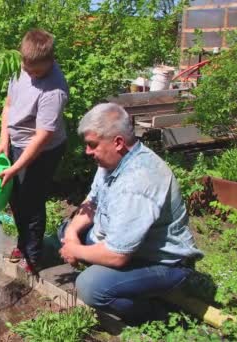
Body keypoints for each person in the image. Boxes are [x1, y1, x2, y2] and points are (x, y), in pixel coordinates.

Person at [58, 103, 203, 325]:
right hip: (127, 245)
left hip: (162, 262)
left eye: (91, 145)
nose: (87, 151)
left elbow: (117, 255)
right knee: (67, 230)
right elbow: (92, 202)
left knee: (90, 286)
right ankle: (111, 273)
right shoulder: (110, 161)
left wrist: (75, 249)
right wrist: (71, 235)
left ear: (117, 142)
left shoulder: (138, 181)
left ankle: (154, 314)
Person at [0, 29, 69, 274]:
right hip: (17, 143)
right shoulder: (21, 69)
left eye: (36, 71)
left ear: (51, 60)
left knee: (32, 201)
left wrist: (16, 167)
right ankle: (22, 244)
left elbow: (41, 138)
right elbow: (8, 105)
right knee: (14, 198)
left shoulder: (54, 90)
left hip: (43, 149)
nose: (30, 74)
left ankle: (34, 256)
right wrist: (3, 139)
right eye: (28, 69)